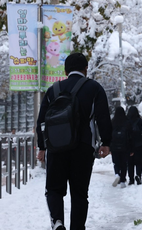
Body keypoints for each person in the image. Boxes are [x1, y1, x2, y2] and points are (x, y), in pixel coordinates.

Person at [36, 52, 112, 230]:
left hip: (56, 148)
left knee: (54, 189)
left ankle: (57, 221)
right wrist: (106, 142)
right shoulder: (94, 88)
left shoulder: (53, 90)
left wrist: (42, 147)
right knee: (79, 193)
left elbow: (41, 121)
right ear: (86, 69)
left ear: (65, 71)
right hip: (83, 147)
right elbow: (103, 118)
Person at [110, 106, 133, 188]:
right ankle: (122, 181)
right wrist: (131, 148)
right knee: (124, 164)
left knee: (116, 163)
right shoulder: (127, 122)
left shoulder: (113, 122)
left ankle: (117, 174)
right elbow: (130, 136)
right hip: (125, 146)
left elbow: (109, 134)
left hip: (114, 146)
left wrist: (110, 146)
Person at [127, 106, 142, 185]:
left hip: (129, 144)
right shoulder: (140, 121)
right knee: (139, 161)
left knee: (130, 163)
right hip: (139, 144)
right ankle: (138, 175)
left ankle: (131, 179)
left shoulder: (126, 121)